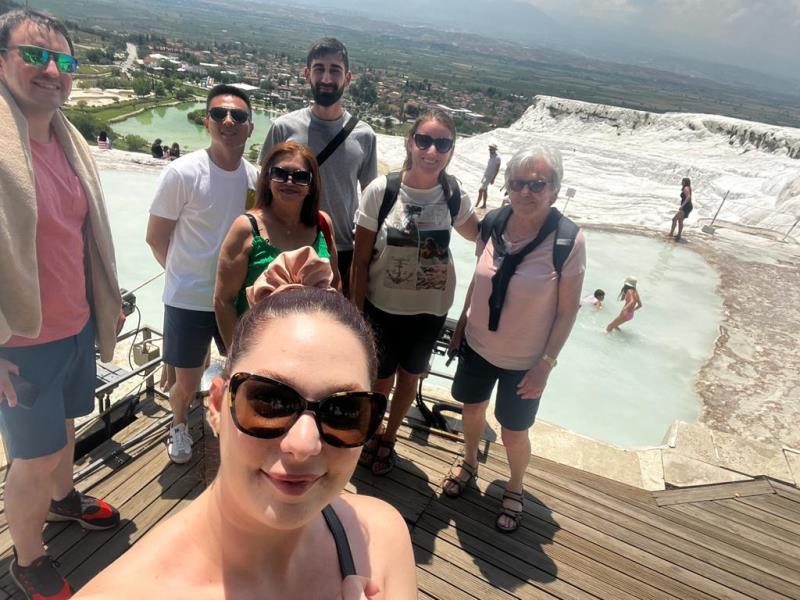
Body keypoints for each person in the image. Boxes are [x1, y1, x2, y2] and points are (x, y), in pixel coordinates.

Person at [75, 264, 417, 599]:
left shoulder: (382, 539)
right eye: (270, 401)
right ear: (217, 405)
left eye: (344, 411)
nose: (304, 444)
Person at [0, 9, 124, 597]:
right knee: (31, 458)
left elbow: (81, 241)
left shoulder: (69, 142)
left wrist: (104, 306)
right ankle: (27, 559)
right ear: (2, 62)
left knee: (66, 432)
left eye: (64, 61)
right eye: (33, 55)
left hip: (75, 328)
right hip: (20, 344)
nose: (52, 70)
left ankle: (64, 499)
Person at [443, 146, 586, 534]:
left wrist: (546, 365)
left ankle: (516, 484)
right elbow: (481, 274)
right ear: (507, 187)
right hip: (477, 345)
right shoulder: (494, 223)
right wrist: (460, 327)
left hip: (525, 360)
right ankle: (470, 459)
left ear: (554, 189)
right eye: (518, 184)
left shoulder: (567, 241)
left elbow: (567, 310)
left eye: (538, 184)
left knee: (513, 431)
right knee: (471, 411)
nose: (527, 192)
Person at [351, 109, 479, 476]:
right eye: (424, 140)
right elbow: (360, 261)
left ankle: (388, 438)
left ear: (451, 150)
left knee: (409, 378)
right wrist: (356, 316)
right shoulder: (383, 190)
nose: (432, 150)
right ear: (410, 142)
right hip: (382, 308)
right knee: (379, 381)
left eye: (442, 143)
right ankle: (369, 433)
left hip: (428, 312)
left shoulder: (454, 195)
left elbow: (482, 238)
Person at [146, 84, 258, 465]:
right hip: (189, 300)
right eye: (220, 114)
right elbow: (156, 237)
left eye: (238, 116)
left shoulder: (256, 180)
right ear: (207, 121)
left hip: (237, 300)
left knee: (243, 373)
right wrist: (183, 276)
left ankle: (236, 428)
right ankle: (178, 424)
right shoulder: (182, 173)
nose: (229, 121)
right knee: (187, 380)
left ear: (250, 127)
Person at [259, 37, 377, 295]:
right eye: (319, 69)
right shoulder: (284, 127)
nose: (326, 78)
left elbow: (371, 200)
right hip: (285, 245)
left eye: (334, 70)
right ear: (306, 74)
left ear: (347, 78)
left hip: (342, 248)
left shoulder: (364, 136)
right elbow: (264, 187)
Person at [214, 141, 340, 351]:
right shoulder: (246, 228)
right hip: (260, 346)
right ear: (267, 179)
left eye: (300, 177)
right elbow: (223, 300)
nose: (289, 182)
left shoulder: (323, 224)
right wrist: (238, 357)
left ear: (311, 186)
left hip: (311, 345)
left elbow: (335, 284)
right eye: (280, 173)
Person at [476, 142, 501, 209]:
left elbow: (497, 169)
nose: (489, 150)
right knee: (484, 190)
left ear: (494, 149)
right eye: (489, 149)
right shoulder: (491, 156)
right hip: (485, 175)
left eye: (491, 149)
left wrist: (493, 178)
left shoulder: (497, 158)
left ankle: (476, 205)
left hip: (489, 177)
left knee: (480, 190)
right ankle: (484, 205)